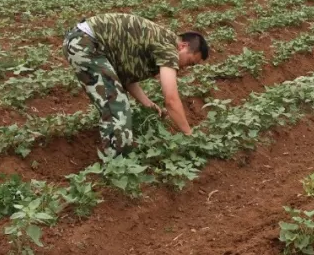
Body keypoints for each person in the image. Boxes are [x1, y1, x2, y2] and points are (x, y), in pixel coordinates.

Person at [63, 12, 208, 155]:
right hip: (86, 43)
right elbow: (171, 100)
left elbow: (126, 80)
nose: (184, 67)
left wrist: (148, 104)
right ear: (182, 46)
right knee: (116, 107)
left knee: (117, 98)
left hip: (86, 41)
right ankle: (118, 165)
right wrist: (189, 134)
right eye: (189, 62)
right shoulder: (169, 48)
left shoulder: (162, 42)